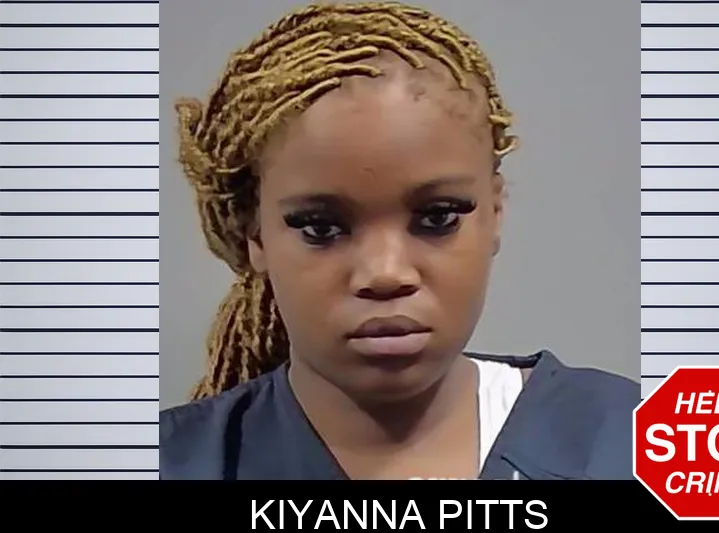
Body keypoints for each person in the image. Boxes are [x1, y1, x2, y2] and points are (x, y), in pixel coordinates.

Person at [159, 1, 639, 480]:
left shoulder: (639, 442)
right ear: (254, 234)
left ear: (495, 212)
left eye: (438, 217)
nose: (386, 273)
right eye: (321, 228)